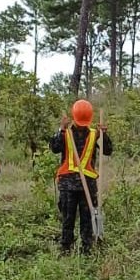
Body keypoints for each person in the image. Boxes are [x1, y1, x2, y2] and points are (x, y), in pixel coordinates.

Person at [49, 99, 113, 255]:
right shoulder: (66, 132)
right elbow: (54, 148)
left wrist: (104, 136)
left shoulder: (95, 134)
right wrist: (61, 130)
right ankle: (65, 250)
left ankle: (87, 250)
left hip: (88, 186)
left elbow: (108, 151)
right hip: (68, 185)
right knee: (67, 219)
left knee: (88, 220)